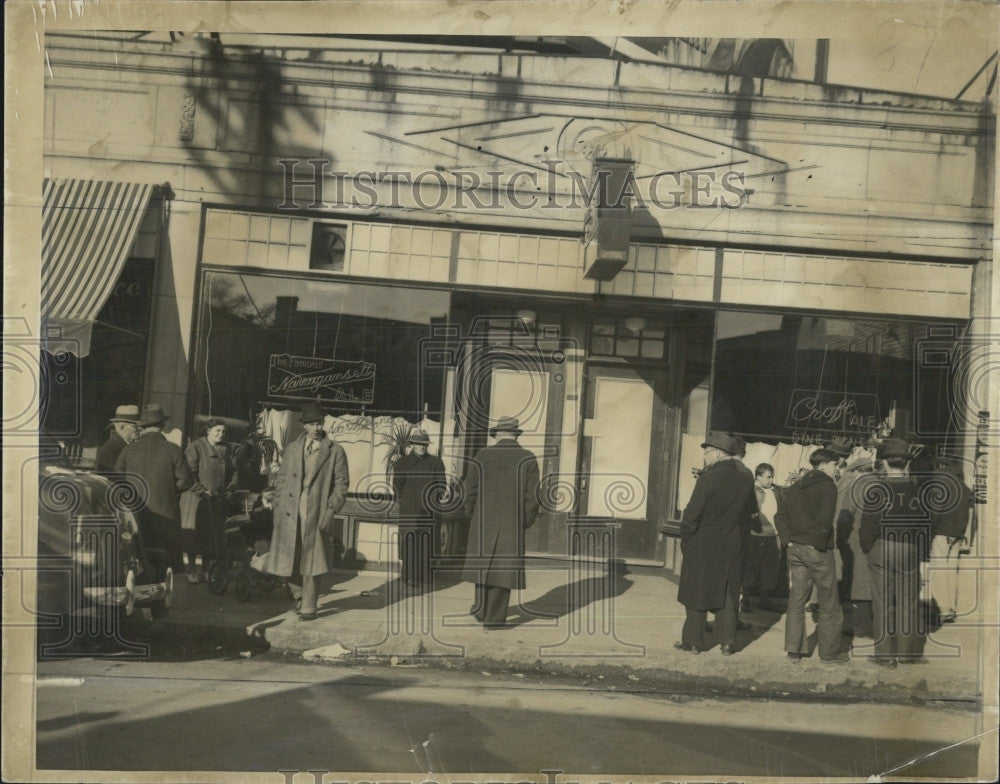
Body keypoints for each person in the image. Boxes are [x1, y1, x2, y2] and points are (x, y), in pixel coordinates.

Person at [675, 431, 757, 656]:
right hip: (732, 543)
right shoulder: (745, 476)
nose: (705, 458)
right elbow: (750, 511)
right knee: (728, 594)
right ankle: (727, 643)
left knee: (697, 592)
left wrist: (687, 539)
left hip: (703, 543)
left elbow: (692, 514)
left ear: (715, 453)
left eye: (706, 453)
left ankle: (692, 642)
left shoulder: (708, 477)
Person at [266, 402, 349, 621]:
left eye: (319, 423)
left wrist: (330, 510)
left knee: (312, 556)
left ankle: (309, 606)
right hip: (289, 508)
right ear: (304, 425)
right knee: (292, 554)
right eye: (311, 424)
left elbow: (342, 484)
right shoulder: (293, 448)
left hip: (317, 508)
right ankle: (298, 595)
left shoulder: (335, 451)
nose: (316, 428)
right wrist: (276, 506)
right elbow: (282, 480)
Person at [461, 416, 540, 630]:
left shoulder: (483, 455)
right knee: (503, 571)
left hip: (483, 520)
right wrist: (522, 522)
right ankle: (494, 620)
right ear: (516, 435)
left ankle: (480, 610)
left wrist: (472, 515)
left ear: (498, 435)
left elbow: (469, 490)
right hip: (511, 523)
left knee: (483, 565)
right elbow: (532, 499)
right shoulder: (528, 458)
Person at [859, 437, 932, 668]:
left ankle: (885, 656)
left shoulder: (877, 490)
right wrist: (920, 554)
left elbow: (868, 525)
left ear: (886, 463)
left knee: (881, 603)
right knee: (907, 603)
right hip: (908, 548)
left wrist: (867, 547)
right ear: (906, 464)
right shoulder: (917, 491)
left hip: (881, 547)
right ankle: (906, 654)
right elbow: (924, 526)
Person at [114, 403, 194, 600]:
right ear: (162, 426)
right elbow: (186, 481)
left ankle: (137, 594)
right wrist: (169, 489)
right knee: (163, 559)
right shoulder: (173, 450)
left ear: (143, 426)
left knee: (138, 554)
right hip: (165, 514)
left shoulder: (128, 450)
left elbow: (116, 481)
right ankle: (158, 599)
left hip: (134, 514)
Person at [775, 447, 848, 663]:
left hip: (795, 549)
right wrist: (817, 544)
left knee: (797, 600)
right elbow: (825, 521)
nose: (837, 470)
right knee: (829, 602)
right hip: (817, 551)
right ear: (824, 465)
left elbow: (780, 516)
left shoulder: (797, 485)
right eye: (835, 465)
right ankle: (829, 654)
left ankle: (793, 651)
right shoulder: (828, 486)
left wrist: (787, 539)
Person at [179, 419, 237, 584]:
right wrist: (200, 490)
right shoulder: (196, 447)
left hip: (216, 499)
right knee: (193, 534)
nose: (221, 434)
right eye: (217, 431)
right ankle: (191, 568)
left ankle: (205, 570)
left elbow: (234, 471)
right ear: (208, 431)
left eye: (223, 432)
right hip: (195, 500)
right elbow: (188, 473)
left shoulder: (227, 449)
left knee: (210, 536)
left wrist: (231, 489)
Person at [393, 429, 447, 587]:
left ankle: (426, 576)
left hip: (430, 512)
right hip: (409, 512)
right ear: (412, 444)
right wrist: (406, 502)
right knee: (410, 544)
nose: (422, 447)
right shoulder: (402, 462)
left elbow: (442, 485)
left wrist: (433, 500)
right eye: (418, 444)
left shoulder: (436, 462)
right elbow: (397, 486)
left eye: (424, 444)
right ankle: (409, 576)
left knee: (426, 545)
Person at [928, 456, 975, 624]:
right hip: (958, 535)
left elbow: (935, 511)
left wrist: (929, 530)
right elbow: (972, 515)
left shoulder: (940, 483)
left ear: (941, 466)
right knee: (950, 570)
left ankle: (941, 609)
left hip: (942, 533)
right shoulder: (965, 487)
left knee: (939, 570)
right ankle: (950, 608)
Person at [835, 457, 876, 637]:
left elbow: (845, 516)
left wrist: (840, 539)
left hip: (857, 540)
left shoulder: (857, 486)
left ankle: (860, 627)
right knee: (872, 581)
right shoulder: (882, 485)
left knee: (857, 583)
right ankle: (872, 624)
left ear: (856, 471)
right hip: (878, 541)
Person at [742, 463, 783, 612]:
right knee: (752, 567)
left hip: (773, 535)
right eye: (768, 477)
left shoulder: (776, 491)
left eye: (772, 476)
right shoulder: (750, 490)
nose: (771, 480)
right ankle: (745, 599)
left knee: (770, 568)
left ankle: (764, 599)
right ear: (758, 476)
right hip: (755, 534)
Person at [95, 405, 140, 472]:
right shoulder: (110, 450)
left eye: (140, 426)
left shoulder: (124, 445)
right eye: (135, 426)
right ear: (122, 427)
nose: (139, 429)